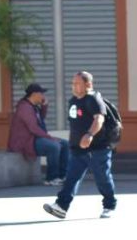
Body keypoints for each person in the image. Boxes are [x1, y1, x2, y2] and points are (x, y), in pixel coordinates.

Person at [42, 71, 117, 220]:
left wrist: (89, 135)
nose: (74, 86)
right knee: (71, 178)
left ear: (88, 84)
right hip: (78, 149)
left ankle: (109, 205)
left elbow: (99, 119)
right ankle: (61, 206)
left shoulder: (93, 99)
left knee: (102, 177)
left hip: (98, 148)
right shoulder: (73, 101)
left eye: (77, 83)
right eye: (73, 83)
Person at [6, 82, 68, 185]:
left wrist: (44, 107)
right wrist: (50, 138)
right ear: (34, 94)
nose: (43, 96)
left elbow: (40, 120)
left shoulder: (33, 107)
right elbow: (33, 128)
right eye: (41, 93)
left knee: (65, 144)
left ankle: (62, 176)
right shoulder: (24, 107)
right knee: (54, 146)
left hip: (34, 139)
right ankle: (51, 178)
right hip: (25, 142)